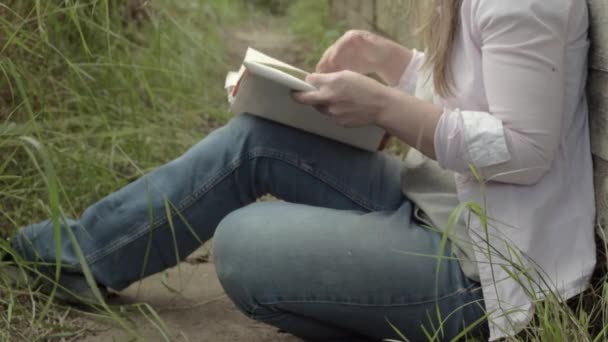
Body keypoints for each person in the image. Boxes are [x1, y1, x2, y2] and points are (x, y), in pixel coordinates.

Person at [8, 0, 595, 341]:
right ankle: (75, 255)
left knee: (241, 246)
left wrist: (383, 104)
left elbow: (525, 149)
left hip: (486, 275)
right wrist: (389, 60)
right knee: (255, 140)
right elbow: (484, 95)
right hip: (442, 198)